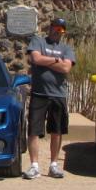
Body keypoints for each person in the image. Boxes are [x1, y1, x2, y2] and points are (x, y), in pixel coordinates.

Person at [24, 17, 76, 179]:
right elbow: (35, 58)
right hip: (39, 93)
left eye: (60, 29)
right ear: (50, 28)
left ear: (63, 32)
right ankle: (34, 166)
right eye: (54, 27)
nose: (56, 31)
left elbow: (66, 67)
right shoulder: (38, 41)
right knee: (33, 130)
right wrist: (55, 60)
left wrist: (46, 62)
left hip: (58, 94)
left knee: (57, 130)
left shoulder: (66, 49)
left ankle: (54, 164)